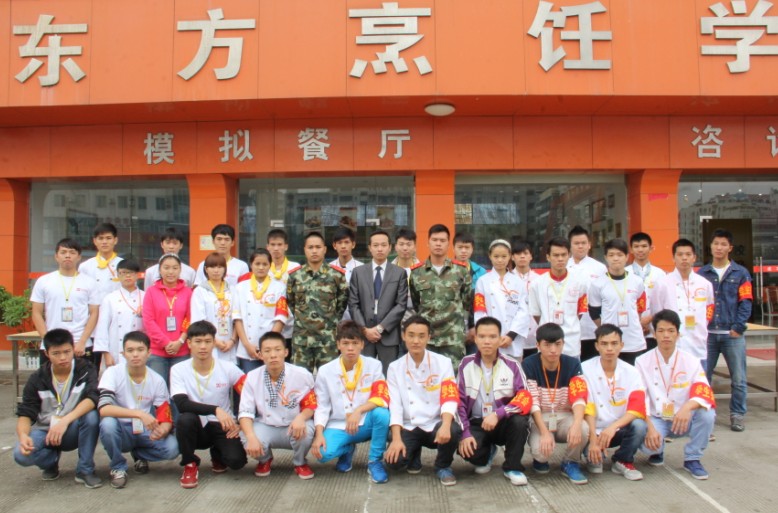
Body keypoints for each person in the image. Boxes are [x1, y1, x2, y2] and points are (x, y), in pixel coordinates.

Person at [14, 328, 102, 488]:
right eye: (56, 353)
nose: (63, 357)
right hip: (45, 430)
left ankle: (85, 470)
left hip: (72, 427)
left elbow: (92, 398)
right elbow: (26, 412)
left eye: (67, 352)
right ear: (46, 353)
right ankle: (50, 461)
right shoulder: (38, 378)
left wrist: (64, 422)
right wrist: (23, 436)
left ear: (73, 349)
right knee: (21, 455)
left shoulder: (85, 369)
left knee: (92, 416)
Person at [637, 310, 716, 480]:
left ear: (678, 334)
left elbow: (703, 389)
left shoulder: (691, 360)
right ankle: (657, 451)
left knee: (707, 414)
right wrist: (650, 427)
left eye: (671, 331)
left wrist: (687, 408)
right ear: (654, 333)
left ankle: (693, 458)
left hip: (683, 418)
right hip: (657, 417)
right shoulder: (642, 361)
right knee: (650, 446)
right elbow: (640, 397)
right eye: (661, 330)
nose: (666, 335)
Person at [311, 321, 391, 484]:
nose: (350, 348)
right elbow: (322, 406)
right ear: (338, 345)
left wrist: (359, 411)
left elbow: (381, 396)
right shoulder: (325, 371)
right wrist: (318, 434)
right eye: (345, 343)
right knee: (322, 454)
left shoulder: (374, 365)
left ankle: (375, 460)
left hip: (365, 421)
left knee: (382, 414)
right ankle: (347, 449)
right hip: (339, 424)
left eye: (355, 343)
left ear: (362, 344)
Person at [385, 316, 461, 486]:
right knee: (394, 462)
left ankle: (443, 466)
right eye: (411, 335)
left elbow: (449, 396)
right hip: (410, 425)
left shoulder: (443, 363)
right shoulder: (395, 367)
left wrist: (446, 425)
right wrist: (396, 439)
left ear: (429, 337)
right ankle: (414, 456)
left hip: (434, 424)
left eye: (421, 336)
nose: (416, 341)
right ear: (403, 336)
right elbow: (395, 405)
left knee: (453, 430)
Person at [171, 321, 248, 488]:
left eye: (207, 341)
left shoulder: (228, 368)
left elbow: (250, 394)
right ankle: (190, 464)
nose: (203, 347)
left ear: (214, 343)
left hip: (222, 424)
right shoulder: (178, 369)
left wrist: (241, 422)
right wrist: (215, 409)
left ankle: (217, 453)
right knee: (185, 419)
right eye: (198, 342)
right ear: (189, 343)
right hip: (196, 426)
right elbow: (182, 404)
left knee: (237, 462)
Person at [457, 317, 532, 486]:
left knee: (520, 422)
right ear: (475, 339)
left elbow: (524, 397)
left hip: (503, 420)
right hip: (477, 421)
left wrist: (499, 414)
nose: (487, 341)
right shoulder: (465, 364)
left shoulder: (512, 364)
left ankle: (513, 467)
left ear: (500, 339)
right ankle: (487, 452)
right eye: (482, 336)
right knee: (467, 449)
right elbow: (459, 402)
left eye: (492, 337)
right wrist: (465, 433)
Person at [97, 331, 179, 488]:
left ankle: (139, 454)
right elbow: (104, 409)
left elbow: (165, 415)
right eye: (130, 350)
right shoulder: (112, 373)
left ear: (149, 353)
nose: (135, 355)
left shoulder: (157, 380)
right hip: (121, 429)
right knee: (107, 424)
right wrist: (139, 414)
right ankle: (118, 467)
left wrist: (163, 429)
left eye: (140, 350)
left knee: (172, 448)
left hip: (145, 429)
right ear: (123, 354)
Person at [238, 332, 317, 480]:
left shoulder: (301, 375)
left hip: (293, 424)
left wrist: (301, 417)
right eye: (267, 351)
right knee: (246, 435)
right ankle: (264, 459)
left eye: (277, 350)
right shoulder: (252, 377)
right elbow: (245, 412)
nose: (273, 355)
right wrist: (251, 437)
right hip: (266, 424)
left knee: (306, 431)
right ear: (260, 354)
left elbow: (311, 403)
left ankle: (300, 462)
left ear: (286, 352)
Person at [698, 229, 753, 432]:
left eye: (723, 244)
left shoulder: (741, 273)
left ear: (730, 248)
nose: (719, 247)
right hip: (708, 335)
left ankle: (737, 415)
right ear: (711, 246)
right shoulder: (702, 274)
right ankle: (704, 416)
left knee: (738, 379)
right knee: (703, 378)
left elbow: (746, 302)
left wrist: (738, 327)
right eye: (716, 243)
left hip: (732, 335)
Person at [522, 323, 590, 485]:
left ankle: (571, 462)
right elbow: (533, 402)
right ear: (538, 345)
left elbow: (579, 398)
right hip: (541, 417)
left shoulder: (572, 364)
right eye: (547, 345)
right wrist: (545, 432)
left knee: (583, 428)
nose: (553, 350)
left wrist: (577, 424)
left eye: (558, 344)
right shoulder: (529, 364)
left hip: (565, 415)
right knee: (541, 453)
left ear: (563, 344)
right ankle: (539, 459)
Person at [581, 324, 647, 481]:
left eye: (614, 343)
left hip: (618, 429)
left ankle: (623, 460)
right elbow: (587, 407)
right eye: (604, 344)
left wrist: (612, 428)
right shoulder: (584, 369)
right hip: (593, 429)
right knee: (595, 467)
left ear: (621, 345)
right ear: (596, 346)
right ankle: (591, 451)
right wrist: (594, 441)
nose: (609, 349)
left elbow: (636, 408)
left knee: (639, 425)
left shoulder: (632, 372)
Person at [409, 224, 472, 367]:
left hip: (453, 339)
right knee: (426, 376)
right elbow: (416, 303)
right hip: (426, 338)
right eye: (435, 240)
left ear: (449, 244)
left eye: (442, 241)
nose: (438, 244)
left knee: (453, 378)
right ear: (428, 243)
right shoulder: (417, 272)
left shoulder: (461, 271)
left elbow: (467, 302)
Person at [287, 231, 349, 372]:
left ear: (325, 249)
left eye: (318, 247)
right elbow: (291, 303)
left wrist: (329, 322)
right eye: (310, 247)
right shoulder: (295, 276)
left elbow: (342, 304)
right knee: (300, 379)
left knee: (330, 378)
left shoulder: (336, 275)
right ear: (305, 249)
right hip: (302, 340)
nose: (314, 251)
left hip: (327, 340)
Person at [348, 230, 408, 374]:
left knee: (389, 376)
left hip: (388, 334)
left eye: (383, 245)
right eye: (375, 245)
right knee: (363, 375)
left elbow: (401, 305)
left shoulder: (399, 273)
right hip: (364, 335)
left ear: (390, 247)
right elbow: (353, 304)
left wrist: (380, 328)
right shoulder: (358, 272)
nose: (379, 249)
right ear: (370, 248)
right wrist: (364, 330)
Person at [31, 238, 100, 362]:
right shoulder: (44, 281)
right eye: (63, 252)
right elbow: (36, 312)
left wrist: (82, 341)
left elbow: (94, 313)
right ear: (56, 256)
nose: (68, 256)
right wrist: (48, 341)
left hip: (80, 344)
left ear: (79, 257)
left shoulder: (89, 282)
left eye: (72, 252)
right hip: (52, 344)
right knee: (49, 375)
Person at [650, 239, 714, 366]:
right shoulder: (662, 283)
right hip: (672, 345)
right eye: (680, 254)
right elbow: (656, 314)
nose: (684, 258)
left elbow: (709, 310)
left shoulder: (705, 284)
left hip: (697, 344)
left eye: (688, 254)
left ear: (694, 258)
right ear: (673, 258)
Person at [587, 238, 647, 365]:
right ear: (605, 257)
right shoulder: (597, 284)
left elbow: (640, 307)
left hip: (634, 340)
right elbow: (594, 313)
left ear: (627, 257)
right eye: (611, 255)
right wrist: (606, 329)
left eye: (620, 255)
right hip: (610, 344)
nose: (615, 258)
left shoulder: (637, 281)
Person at [528, 238, 588, 358]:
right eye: (556, 255)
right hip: (546, 341)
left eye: (563, 255)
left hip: (571, 342)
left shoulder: (580, 282)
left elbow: (580, 312)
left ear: (569, 255)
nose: (560, 259)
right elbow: (536, 314)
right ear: (548, 257)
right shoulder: (537, 284)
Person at [233, 249, 289, 373]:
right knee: (250, 381)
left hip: (271, 348)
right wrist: (247, 345)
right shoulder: (240, 288)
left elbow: (281, 317)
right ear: (251, 264)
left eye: (265, 264)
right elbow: (237, 318)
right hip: (247, 348)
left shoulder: (279, 287)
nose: (261, 267)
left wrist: (268, 345)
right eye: (257, 264)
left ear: (270, 265)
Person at [474, 239, 530, 362]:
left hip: (513, 341)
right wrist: (490, 336)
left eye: (504, 256)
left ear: (510, 256)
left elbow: (523, 312)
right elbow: (480, 311)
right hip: (489, 341)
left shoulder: (518, 282)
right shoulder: (482, 281)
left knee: (513, 371)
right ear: (490, 256)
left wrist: (511, 336)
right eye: (496, 256)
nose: (500, 260)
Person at [142, 253, 193, 387]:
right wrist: (165, 343)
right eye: (166, 268)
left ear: (180, 270)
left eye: (175, 268)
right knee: (158, 390)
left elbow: (190, 318)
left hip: (182, 350)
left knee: (180, 390)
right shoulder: (151, 292)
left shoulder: (188, 292)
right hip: (157, 351)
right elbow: (148, 320)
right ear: (159, 270)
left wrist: (180, 341)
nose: (170, 272)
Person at [93, 259, 145, 368]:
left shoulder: (146, 297)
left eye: (131, 273)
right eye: (123, 273)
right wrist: (106, 354)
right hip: (116, 349)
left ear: (137, 275)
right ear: (118, 275)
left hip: (140, 350)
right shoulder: (110, 298)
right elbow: (102, 327)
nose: (127, 276)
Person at [567, 225, 607, 362]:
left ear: (589, 244)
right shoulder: (563, 266)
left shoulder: (600, 268)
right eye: (576, 243)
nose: (580, 246)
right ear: (570, 245)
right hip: (569, 327)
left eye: (583, 243)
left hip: (592, 327)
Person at [191, 252, 237, 364]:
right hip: (209, 344)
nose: (216, 270)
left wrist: (232, 340)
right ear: (206, 269)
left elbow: (237, 318)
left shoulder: (232, 290)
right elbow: (198, 321)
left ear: (225, 269)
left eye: (220, 267)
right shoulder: (200, 291)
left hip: (230, 344)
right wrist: (215, 341)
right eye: (212, 267)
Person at [266, 228, 302, 357]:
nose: (276, 248)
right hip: (269, 322)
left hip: (292, 325)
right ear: (267, 247)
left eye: (279, 244)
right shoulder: (263, 268)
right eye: (273, 245)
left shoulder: (295, 267)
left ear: (286, 246)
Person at [629, 232, 667, 351]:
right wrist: (638, 322)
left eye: (644, 246)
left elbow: (664, 302)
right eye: (636, 246)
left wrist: (649, 319)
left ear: (651, 248)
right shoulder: (625, 273)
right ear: (631, 249)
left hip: (654, 330)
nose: (640, 250)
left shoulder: (660, 274)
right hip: (630, 329)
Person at [79, 222, 123, 304]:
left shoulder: (123, 264)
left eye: (108, 238)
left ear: (115, 240)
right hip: (93, 309)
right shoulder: (85, 266)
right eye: (101, 238)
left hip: (117, 309)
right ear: (94, 241)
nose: (104, 242)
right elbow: (81, 293)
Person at [510, 239, 540, 359]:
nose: (522, 256)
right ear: (512, 257)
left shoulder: (539, 280)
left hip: (535, 333)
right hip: (513, 335)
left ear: (531, 256)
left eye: (526, 253)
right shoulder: (507, 280)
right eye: (518, 253)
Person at [194, 224, 249, 288]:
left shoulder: (242, 266)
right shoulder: (203, 264)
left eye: (227, 239)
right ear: (213, 241)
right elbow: (197, 287)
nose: (223, 243)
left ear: (232, 242)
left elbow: (245, 289)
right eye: (219, 239)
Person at [392, 227, 420, 327]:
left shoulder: (423, 270)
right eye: (401, 244)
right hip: (393, 323)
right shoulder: (388, 270)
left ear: (415, 247)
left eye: (409, 244)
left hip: (417, 322)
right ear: (395, 247)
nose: (405, 248)